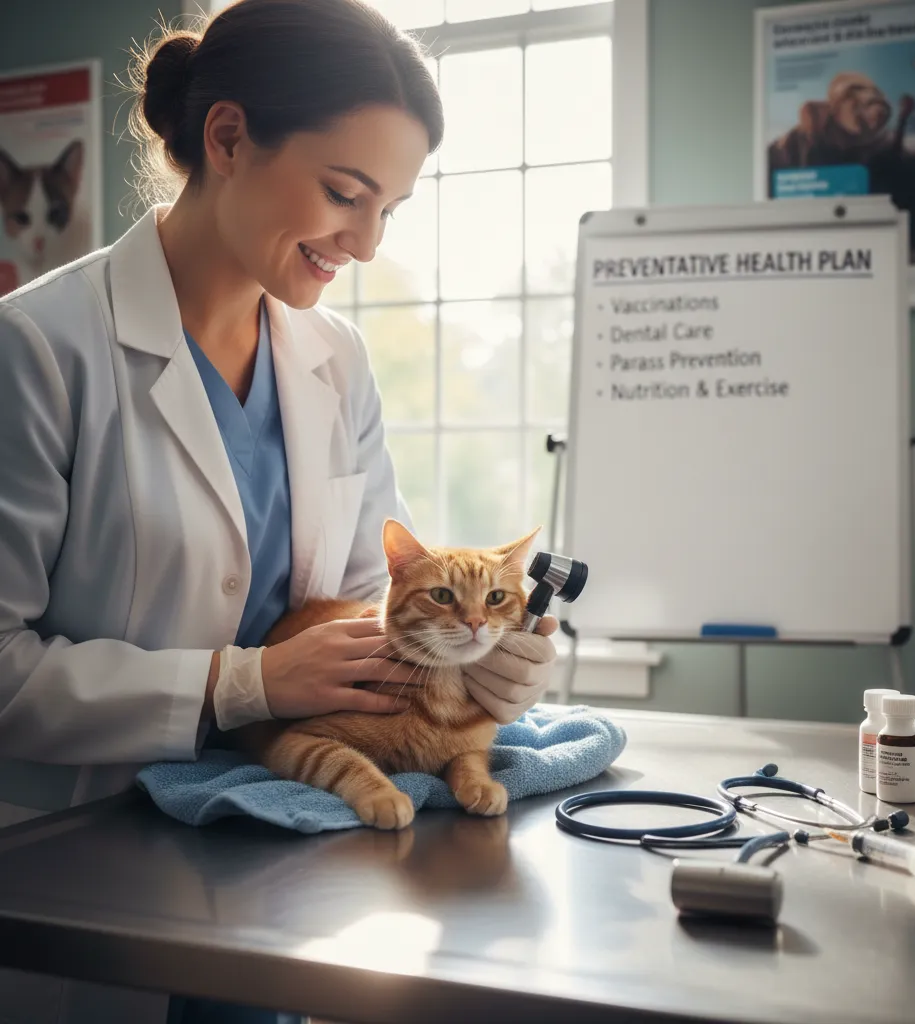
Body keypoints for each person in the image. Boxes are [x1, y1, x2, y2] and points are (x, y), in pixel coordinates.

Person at [0, 1, 558, 1021]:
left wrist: (475, 662)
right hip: (90, 877)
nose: (367, 241)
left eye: (390, 209)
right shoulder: (39, 350)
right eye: (346, 194)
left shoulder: (334, 358)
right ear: (226, 137)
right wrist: (241, 684)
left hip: (292, 869)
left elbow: (359, 600)